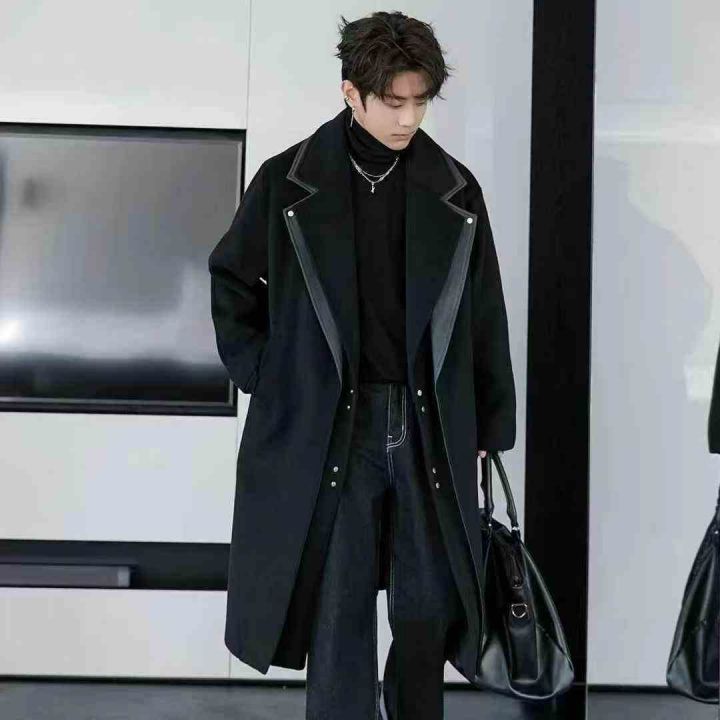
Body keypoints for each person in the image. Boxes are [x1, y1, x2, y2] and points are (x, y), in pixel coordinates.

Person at [208, 10, 516, 720]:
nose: (409, 118)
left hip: (427, 422)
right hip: (332, 424)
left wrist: (490, 425)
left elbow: (483, 314)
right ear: (352, 93)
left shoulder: (454, 190)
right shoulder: (288, 183)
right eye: (393, 101)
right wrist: (270, 376)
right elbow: (231, 282)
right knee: (337, 607)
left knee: (427, 606)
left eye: (420, 101)